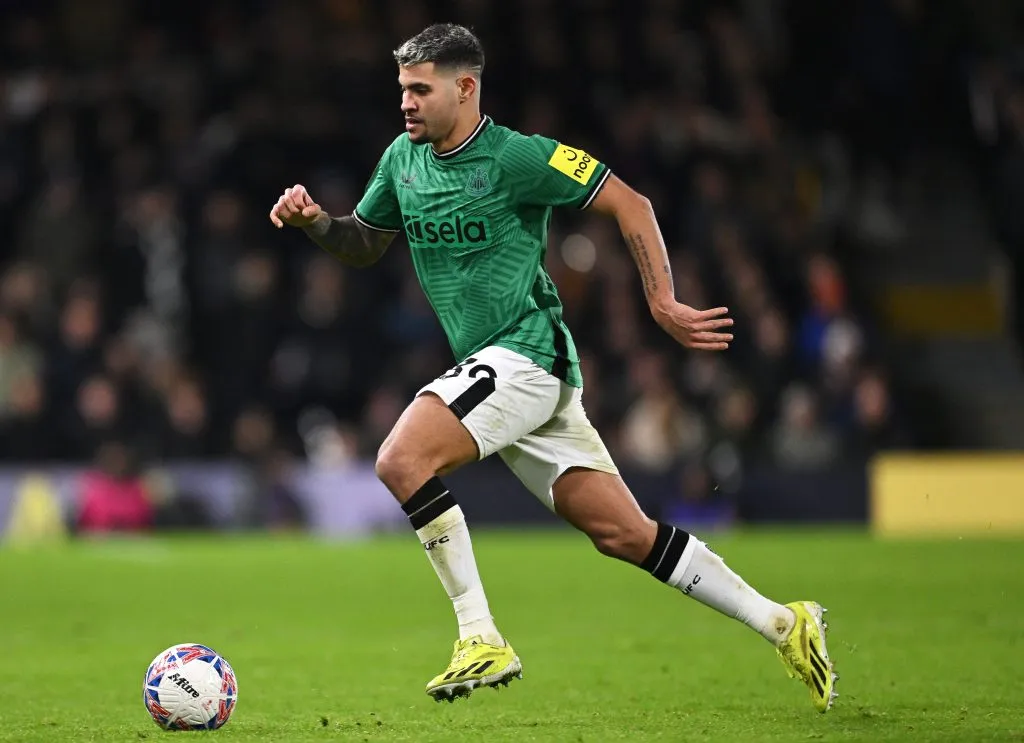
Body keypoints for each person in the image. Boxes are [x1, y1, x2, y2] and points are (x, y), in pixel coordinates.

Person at [269, 23, 836, 712]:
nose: (407, 104)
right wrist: (315, 223)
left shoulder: (520, 158)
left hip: (527, 352)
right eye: (403, 91)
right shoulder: (401, 160)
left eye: (421, 90)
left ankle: (480, 633)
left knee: (399, 458)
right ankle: (783, 620)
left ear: (466, 87)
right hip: (506, 368)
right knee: (624, 533)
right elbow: (363, 244)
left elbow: (631, 201)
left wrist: (661, 299)